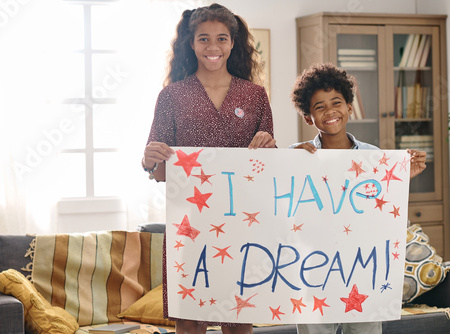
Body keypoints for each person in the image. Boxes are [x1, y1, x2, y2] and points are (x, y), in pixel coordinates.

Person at [142, 3, 275, 333]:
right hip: (189, 224)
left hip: (241, 223)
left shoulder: (255, 96)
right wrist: (148, 161)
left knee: (238, 320)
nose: (213, 47)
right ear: (191, 43)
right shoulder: (171, 97)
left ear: (233, 43)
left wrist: (268, 149)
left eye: (221, 39)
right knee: (189, 321)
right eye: (204, 39)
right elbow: (160, 171)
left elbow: (268, 170)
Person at [289, 63, 427, 334]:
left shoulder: (373, 156)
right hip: (314, 269)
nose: (330, 112)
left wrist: (401, 179)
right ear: (308, 118)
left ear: (349, 107)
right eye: (319, 107)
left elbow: (382, 211)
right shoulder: (298, 155)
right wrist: (286, 160)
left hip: (363, 268)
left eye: (336, 103)